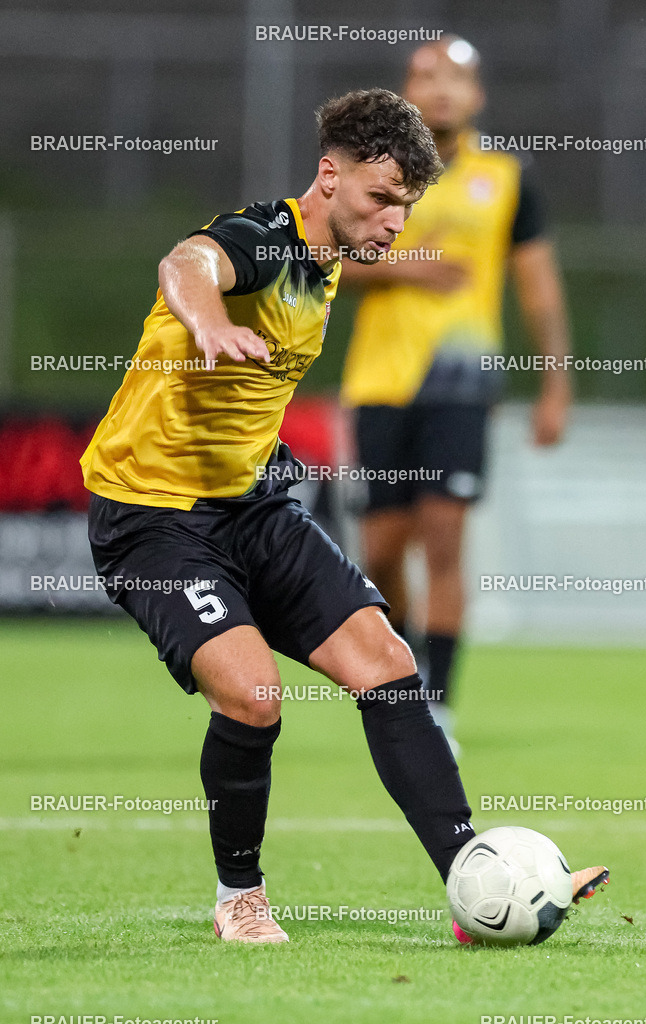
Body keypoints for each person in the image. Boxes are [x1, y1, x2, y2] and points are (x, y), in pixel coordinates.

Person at [81, 88, 604, 945]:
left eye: (405, 204)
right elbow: (185, 264)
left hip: (250, 505)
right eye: (380, 197)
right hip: (153, 518)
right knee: (253, 695)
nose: (395, 220)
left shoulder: (329, 263)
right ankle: (238, 896)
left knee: (387, 660)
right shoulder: (267, 237)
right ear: (329, 176)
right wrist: (208, 320)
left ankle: (478, 879)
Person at [341, 38, 572, 742]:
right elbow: (322, 259)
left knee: (444, 533)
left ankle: (434, 702)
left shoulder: (505, 178)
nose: (440, 89)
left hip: (462, 380)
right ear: (405, 92)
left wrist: (554, 384)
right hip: (378, 379)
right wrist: (403, 270)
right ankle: (404, 669)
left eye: (456, 78)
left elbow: (537, 286)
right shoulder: (365, 171)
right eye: (425, 76)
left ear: (477, 96)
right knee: (380, 550)